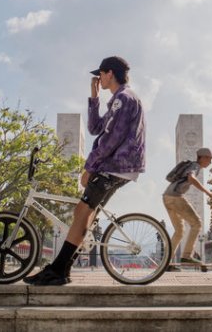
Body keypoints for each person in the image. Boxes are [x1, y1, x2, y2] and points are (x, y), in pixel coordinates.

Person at [24, 56, 146, 286]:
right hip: (121, 166)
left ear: (110, 73)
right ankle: (62, 269)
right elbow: (95, 128)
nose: (98, 78)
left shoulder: (124, 99)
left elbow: (111, 140)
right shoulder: (118, 100)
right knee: (84, 213)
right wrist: (94, 97)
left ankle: (58, 270)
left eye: (100, 74)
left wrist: (89, 167)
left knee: (82, 211)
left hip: (117, 165)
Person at [163, 148, 212, 268]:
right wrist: (207, 192)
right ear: (202, 157)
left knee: (179, 231)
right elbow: (191, 178)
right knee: (197, 223)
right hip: (175, 197)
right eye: (209, 159)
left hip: (167, 197)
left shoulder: (192, 165)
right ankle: (186, 255)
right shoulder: (195, 166)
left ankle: (166, 262)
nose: (210, 162)